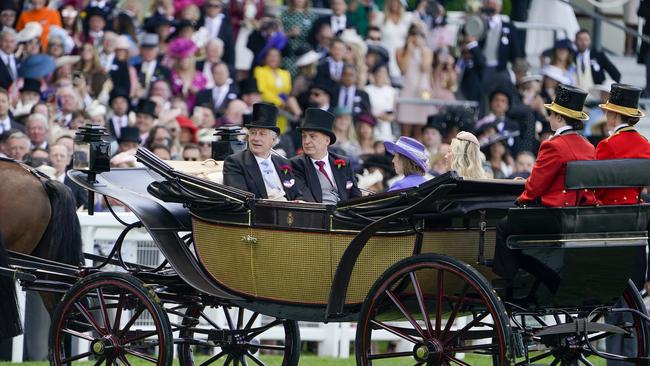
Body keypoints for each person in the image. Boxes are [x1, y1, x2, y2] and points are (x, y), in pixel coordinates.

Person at [493, 84, 599, 280]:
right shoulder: (588, 146)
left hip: (553, 216)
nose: (549, 117)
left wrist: (519, 202)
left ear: (559, 117)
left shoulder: (553, 145)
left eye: (551, 114)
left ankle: (505, 280)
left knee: (504, 226)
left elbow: (534, 189)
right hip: (577, 216)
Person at [223, 102, 302, 200]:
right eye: (253, 133)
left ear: (273, 140)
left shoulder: (283, 163)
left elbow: (297, 194)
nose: (256, 138)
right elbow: (239, 200)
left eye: (262, 134)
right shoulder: (235, 162)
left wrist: (299, 201)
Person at [291, 108, 361, 204]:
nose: (306, 141)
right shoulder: (297, 164)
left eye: (312, 136)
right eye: (304, 136)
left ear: (327, 141)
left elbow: (355, 196)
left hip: (345, 215)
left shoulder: (343, 162)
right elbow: (305, 196)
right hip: (319, 214)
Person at [596, 84, 650, 205]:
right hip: (637, 206)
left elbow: (598, 184)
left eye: (608, 112)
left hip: (610, 207)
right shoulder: (645, 142)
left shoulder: (607, 144)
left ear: (614, 115)